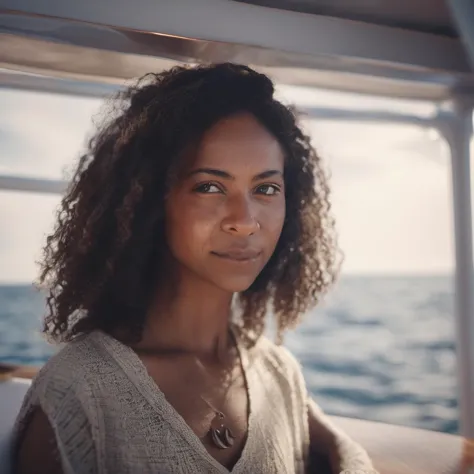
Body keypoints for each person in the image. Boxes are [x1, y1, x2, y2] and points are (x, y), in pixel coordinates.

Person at [13, 63, 376, 474]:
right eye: (209, 186)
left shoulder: (279, 373)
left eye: (266, 188)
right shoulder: (80, 394)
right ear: (150, 202)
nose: (245, 219)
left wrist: (345, 454)